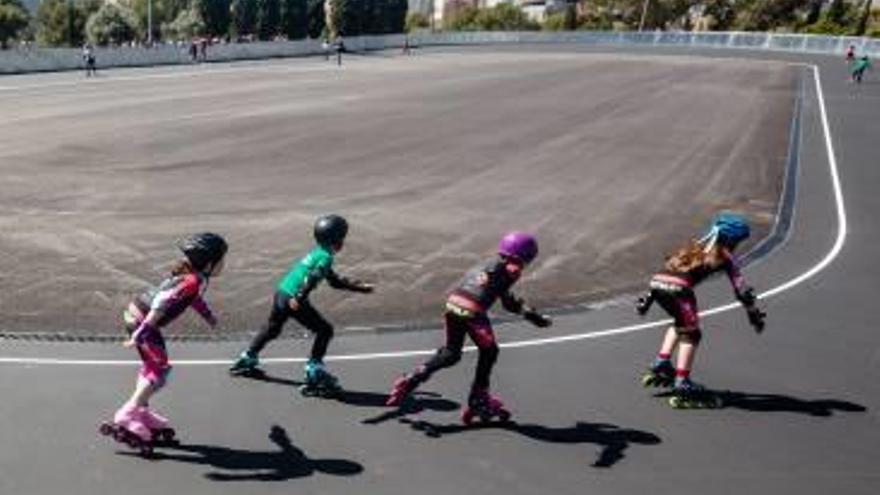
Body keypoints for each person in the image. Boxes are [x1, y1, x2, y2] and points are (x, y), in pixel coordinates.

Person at [385, 232, 552, 424]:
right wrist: (532, 316)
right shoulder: (512, 268)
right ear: (526, 256)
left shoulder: (486, 263)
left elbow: (496, 290)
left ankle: (412, 378)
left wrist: (528, 313)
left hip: (453, 303)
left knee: (451, 353)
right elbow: (508, 301)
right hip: (472, 310)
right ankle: (478, 398)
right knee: (490, 352)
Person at [101, 233, 227, 454]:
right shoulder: (192, 280)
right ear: (209, 263)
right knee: (160, 370)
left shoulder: (194, 279)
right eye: (222, 260)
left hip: (139, 317)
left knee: (152, 367)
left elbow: (193, 299)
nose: (224, 264)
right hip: (144, 321)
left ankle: (141, 410)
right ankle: (127, 414)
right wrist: (142, 332)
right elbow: (161, 302)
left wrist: (208, 316)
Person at [230, 215, 374, 396]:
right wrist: (299, 297)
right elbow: (313, 276)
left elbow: (334, 281)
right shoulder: (326, 257)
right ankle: (314, 371)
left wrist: (358, 287)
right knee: (325, 330)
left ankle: (248, 357)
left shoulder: (317, 252)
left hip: (282, 292)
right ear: (338, 240)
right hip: (294, 298)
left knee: (273, 328)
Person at [637, 213, 766, 408]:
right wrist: (753, 313)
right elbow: (743, 291)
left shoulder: (694, 245)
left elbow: (668, 268)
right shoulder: (725, 256)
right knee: (692, 334)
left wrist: (648, 297)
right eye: (739, 241)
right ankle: (683, 383)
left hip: (657, 284)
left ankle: (661, 362)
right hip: (679, 289)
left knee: (680, 323)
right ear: (732, 240)